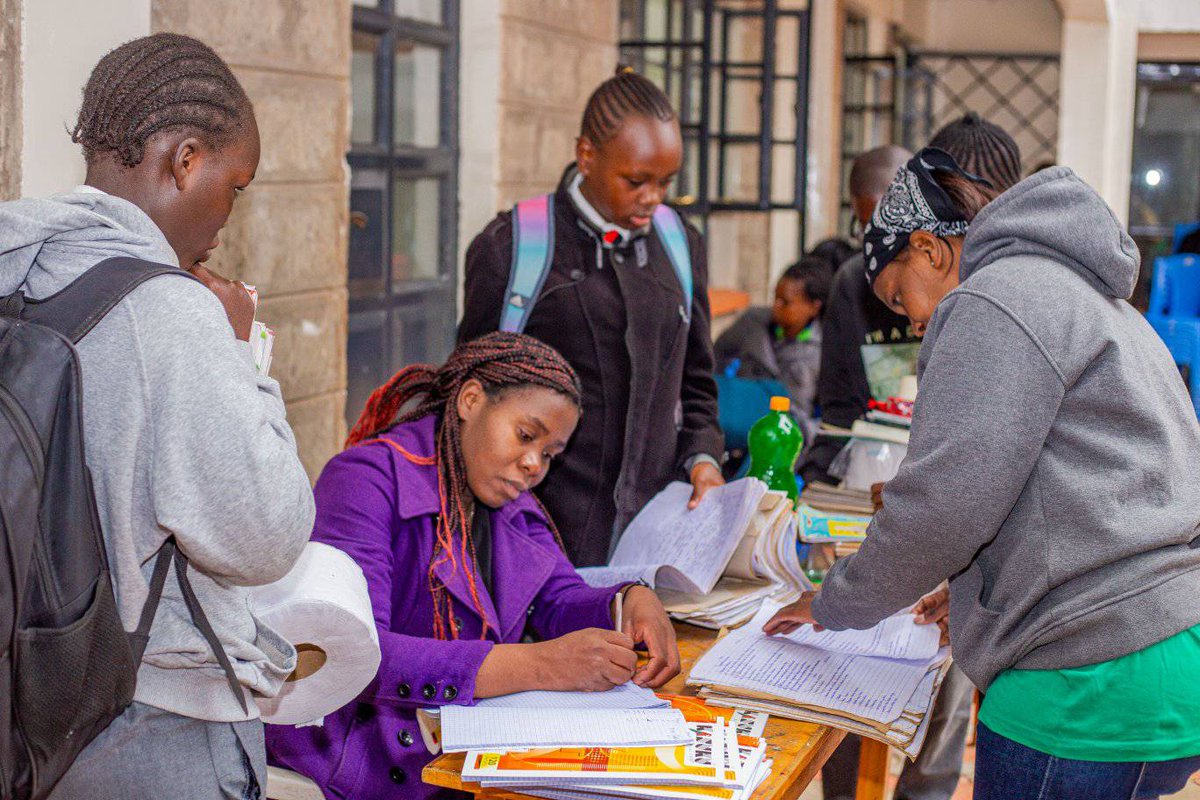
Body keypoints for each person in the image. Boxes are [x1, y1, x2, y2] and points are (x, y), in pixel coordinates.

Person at [767, 148, 1200, 799]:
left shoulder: (991, 301)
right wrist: (982, 589)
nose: (909, 322)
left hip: (1080, 678)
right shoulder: (1091, 296)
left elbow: (942, 508)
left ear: (930, 250)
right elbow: (1074, 489)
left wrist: (833, 603)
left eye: (898, 296)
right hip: (1169, 657)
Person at [0, 34, 315, 799]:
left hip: (36, 708)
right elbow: (265, 533)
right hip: (153, 725)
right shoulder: (169, 313)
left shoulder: (24, 265)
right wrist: (239, 353)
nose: (228, 217)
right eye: (235, 186)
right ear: (184, 159)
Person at [266, 332, 680, 799]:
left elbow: (559, 599)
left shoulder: (510, 500)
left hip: (460, 756)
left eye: (549, 454)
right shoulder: (365, 479)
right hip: (360, 765)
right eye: (526, 436)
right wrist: (541, 665)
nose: (533, 465)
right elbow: (355, 652)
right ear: (470, 400)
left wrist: (628, 599)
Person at [808, 116, 1022, 800]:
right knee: (854, 701)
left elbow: (973, 480)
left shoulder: (1005, 309)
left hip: (957, 548)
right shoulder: (859, 286)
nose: (910, 321)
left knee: (944, 706)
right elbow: (839, 405)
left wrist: (831, 605)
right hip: (899, 517)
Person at [458, 67, 725, 567]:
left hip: (652, 535)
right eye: (636, 181)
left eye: (665, 182)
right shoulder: (513, 247)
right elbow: (468, 394)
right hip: (534, 535)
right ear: (587, 156)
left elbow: (697, 381)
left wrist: (703, 458)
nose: (653, 199)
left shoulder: (681, 245)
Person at [713, 256, 833, 445]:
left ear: (813, 307)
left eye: (785, 302)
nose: (776, 307)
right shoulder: (752, 323)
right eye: (775, 298)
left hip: (788, 442)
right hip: (739, 428)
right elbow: (715, 356)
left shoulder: (825, 350)